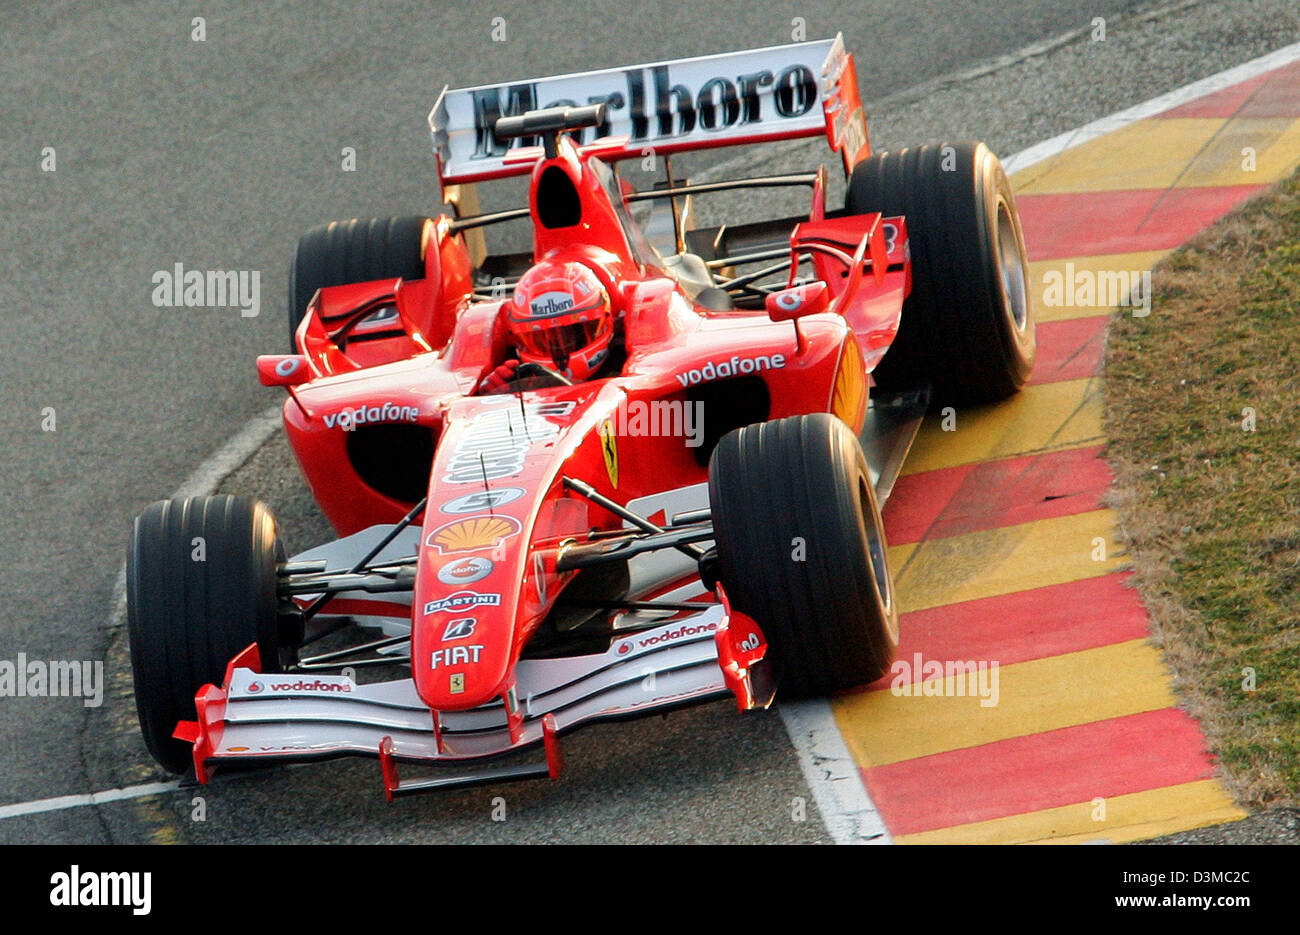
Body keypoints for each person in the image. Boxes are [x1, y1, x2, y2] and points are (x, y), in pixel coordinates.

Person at [477, 258, 617, 393]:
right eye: (542, 339)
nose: (559, 346)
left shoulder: (626, 361)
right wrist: (496, 395)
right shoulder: (524, 375)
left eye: (572, 335)